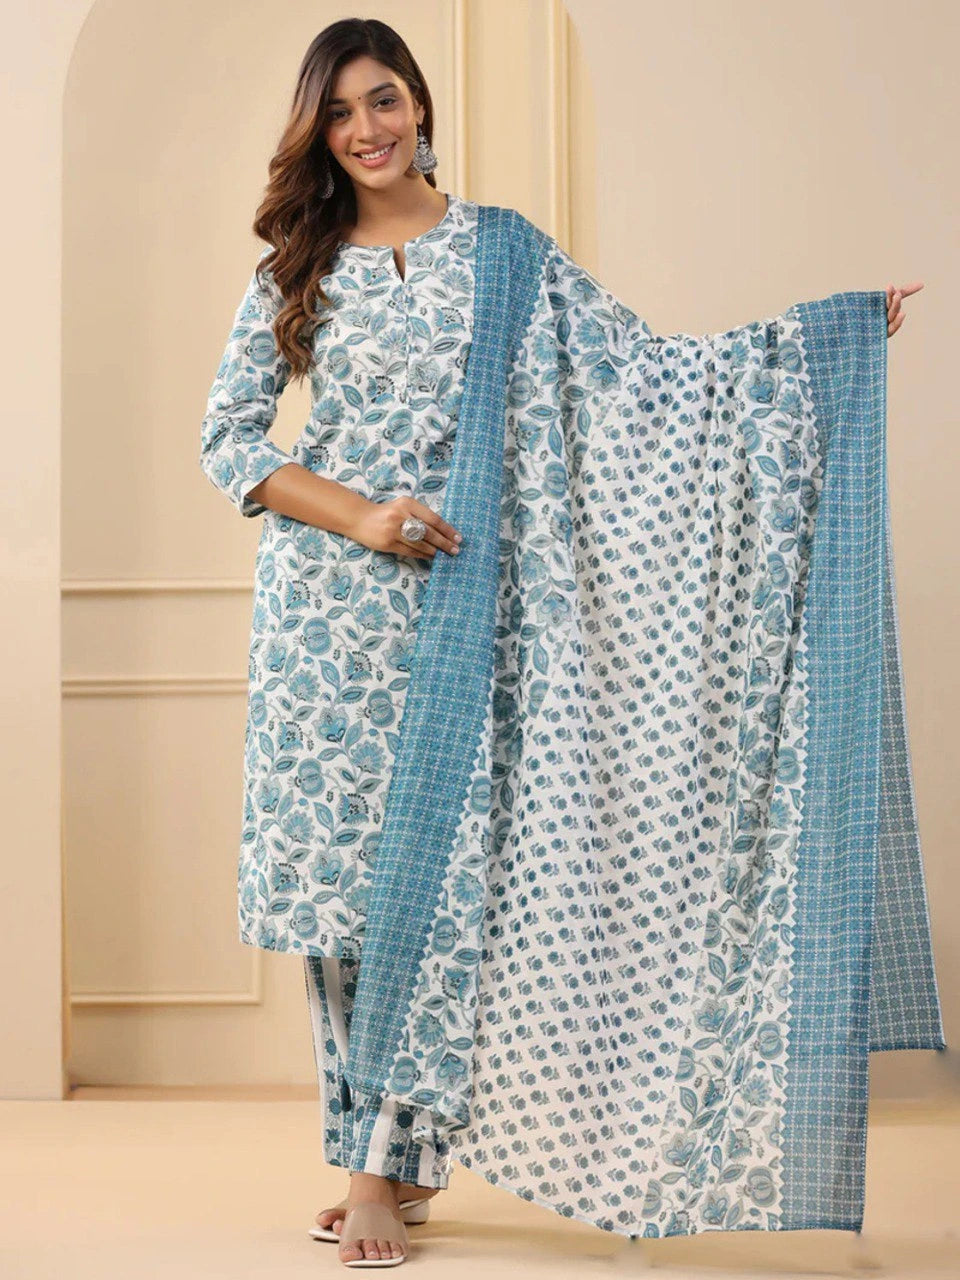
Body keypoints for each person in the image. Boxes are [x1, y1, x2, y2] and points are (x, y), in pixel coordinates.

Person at [199, 16, 934, 1271]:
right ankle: (393, 1155)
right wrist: (365, 515)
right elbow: (232, 443)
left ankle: (380, 1166)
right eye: (340, 112)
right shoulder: (296, 266)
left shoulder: (507, 257)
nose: (367, 129)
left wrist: (819, 343)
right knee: (337, 906)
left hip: (468, 623)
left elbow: (644, 377)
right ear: (319, 133)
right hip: (327, 630)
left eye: (385, 100)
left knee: (430, 897)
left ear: (422, 107)